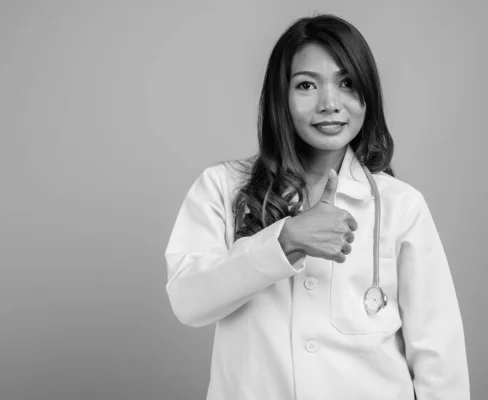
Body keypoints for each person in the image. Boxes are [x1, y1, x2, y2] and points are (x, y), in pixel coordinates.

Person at [163, 13, 470, 400]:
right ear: (282, 98)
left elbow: (439, 356)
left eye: (346, 83)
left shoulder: (400, 205)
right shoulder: (222, 188)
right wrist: (284, 241)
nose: (329, 103)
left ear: (367, 95)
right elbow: (189, 302)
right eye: (306, 85)